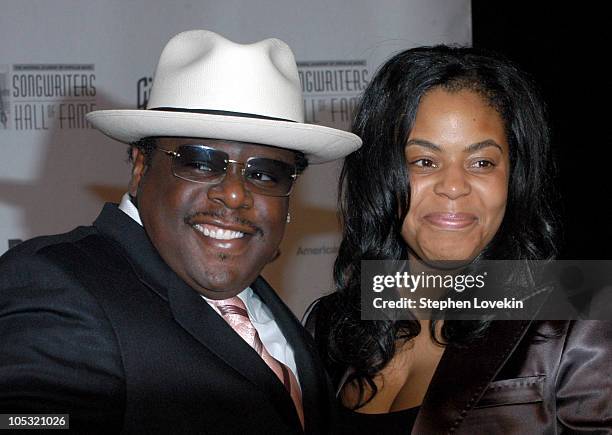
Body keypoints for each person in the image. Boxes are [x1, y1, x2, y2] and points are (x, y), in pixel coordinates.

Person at [0, 30, 361, 434]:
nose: (235, 194)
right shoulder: (58, 284)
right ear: (140, 168)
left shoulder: (277, 317)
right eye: (202, 162)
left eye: (265, 173)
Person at [306, 46, 612, 433]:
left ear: (513, 178)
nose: (453, 186)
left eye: (481, 162)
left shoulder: (582, 310)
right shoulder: (331, 323)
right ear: (382, 175)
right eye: (424, 162)